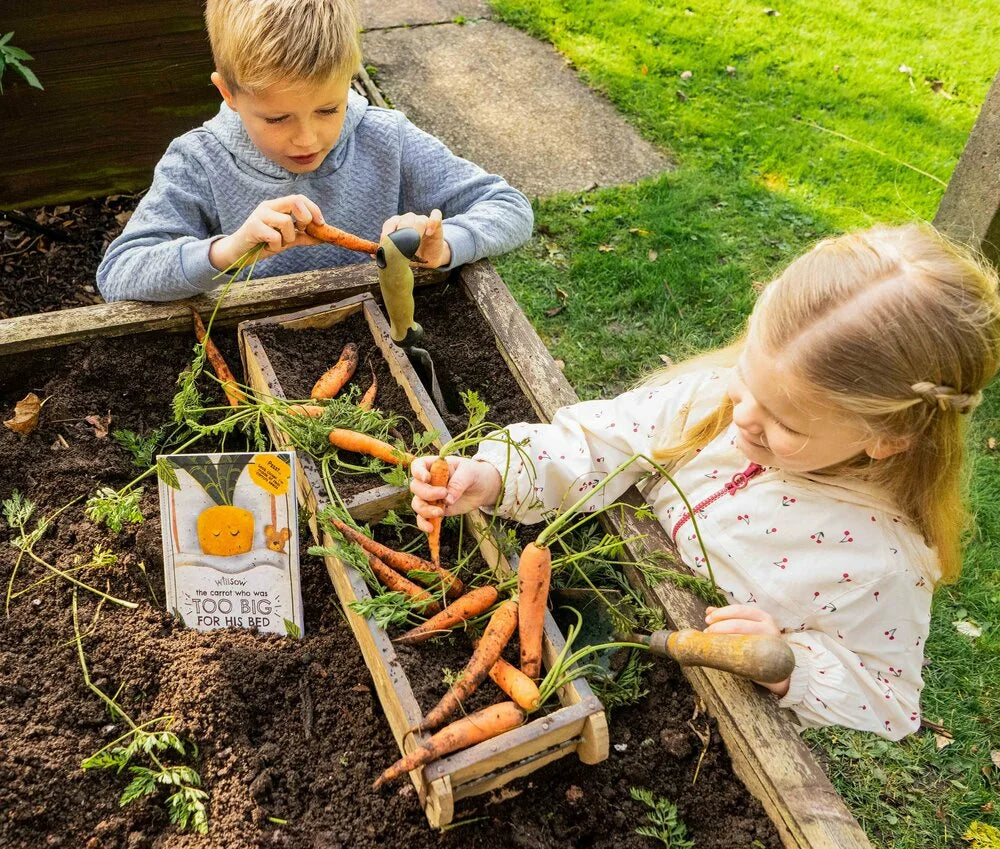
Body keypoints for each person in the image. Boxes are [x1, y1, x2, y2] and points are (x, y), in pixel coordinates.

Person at [410, 223, 1000, 740]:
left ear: (887, 438)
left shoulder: (879, 562)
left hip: (690, 692)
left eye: (784, 422)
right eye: (744, 379)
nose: (742, 417)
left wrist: (791, 662)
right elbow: (598, 441)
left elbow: (888, 699)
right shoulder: (711, 402)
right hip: (584, 575)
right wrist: (491, 475)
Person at [96, 0, 532, 302]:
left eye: (328, 109)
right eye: (277, 118)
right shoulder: (197, 161)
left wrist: (443, 246)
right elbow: (119, 274)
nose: (307, 139)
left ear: (348, 81)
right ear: (228, 92)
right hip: (250, 352)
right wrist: (228, 251)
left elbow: (510, 207)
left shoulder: (386, 137)